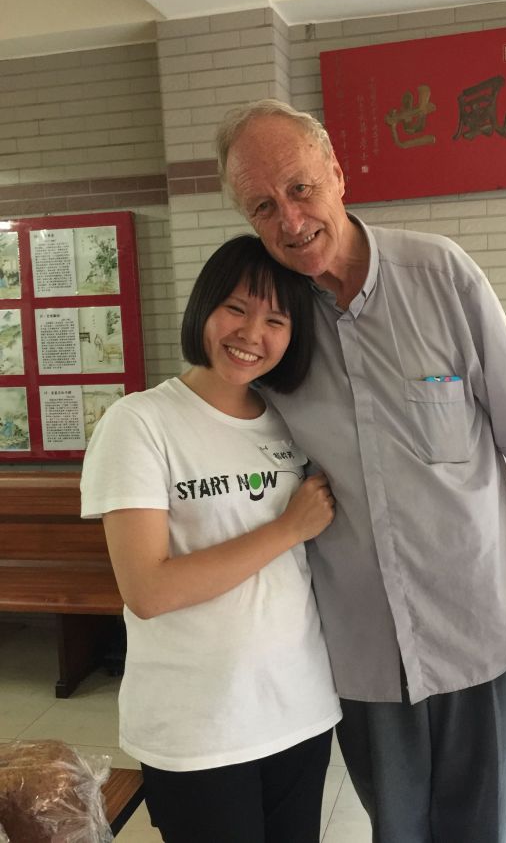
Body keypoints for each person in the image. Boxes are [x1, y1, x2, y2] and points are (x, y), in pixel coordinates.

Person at [216, 100, 506, 843]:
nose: (289, 220)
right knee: (396, 829)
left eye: (300, 188)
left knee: (478, 828)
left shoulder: (440, 275)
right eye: (263, 206)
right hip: (364, 651)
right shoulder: (273, 326)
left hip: (479, 630)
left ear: (337, 173)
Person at [80, 235, 341, 843]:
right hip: (198, 728)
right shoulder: (139, 422)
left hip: (299, 709)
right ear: (203, 308)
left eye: (275, 320)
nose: (252, 333)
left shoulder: (289, 423)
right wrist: (287, 528)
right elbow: (148, 590)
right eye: (236, 309)